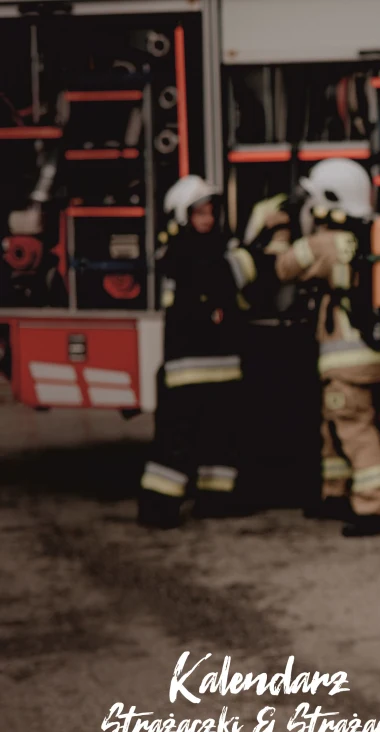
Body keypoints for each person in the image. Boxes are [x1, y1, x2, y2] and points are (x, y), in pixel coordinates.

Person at [268, 158, 380, 539]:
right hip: (371, 353)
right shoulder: (369, 233)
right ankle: (335, 494)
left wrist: (279, 229)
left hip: (345, 358)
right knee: (335, 426)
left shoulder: (324, 243)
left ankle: (376, 508)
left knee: (354, 428)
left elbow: (281, 268)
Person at [138, 175, 256, 528]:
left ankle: (216, 498)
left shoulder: (211, 245)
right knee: (177, 439)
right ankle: (158, 507)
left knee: (221, 435)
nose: (206, 219)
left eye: (210, 212)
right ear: (182, 216)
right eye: (199, 213)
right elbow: (231, 274)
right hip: (188, 366)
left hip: (221, 364)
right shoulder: (182, 251)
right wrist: (256, 247)